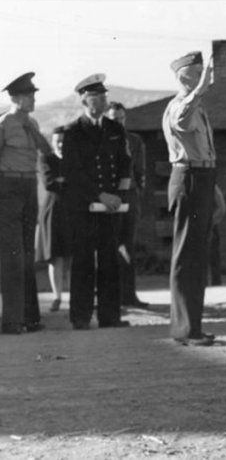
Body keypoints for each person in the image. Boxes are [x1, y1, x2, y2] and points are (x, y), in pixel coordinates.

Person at [62, 74, 132, 330]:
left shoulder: (115, 129)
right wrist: (100, 195)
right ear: (84, 100)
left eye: (104, 96)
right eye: (96, 97)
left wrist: (120, 196)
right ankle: (80, 317)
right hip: (84, 206)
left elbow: (124, 164)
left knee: (109, 259)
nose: (102, 100)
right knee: (83, 260)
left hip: (111, 206)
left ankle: (109, 316)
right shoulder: (73, 131)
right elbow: (73, 172)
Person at [163, 52, 218, 346]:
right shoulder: (180, 106)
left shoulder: (196, 105)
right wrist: (198, 91)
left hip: (202, 177)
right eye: (198, 73)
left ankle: (191, 326)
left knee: (197, 256)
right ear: (184, 76)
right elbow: (183, 120)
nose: (204, 78)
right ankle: (185, 330)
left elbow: (203, 151)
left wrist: (214, 188)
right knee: (187, 256)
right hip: (189, 178)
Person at [0, 72, 52, 333]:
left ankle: (30, 318)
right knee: (12, 255)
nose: (33, 99)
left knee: (27, 254)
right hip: (8, 187)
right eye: (28, 95)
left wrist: (32, 129)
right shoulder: (4, 124)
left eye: (33, 95)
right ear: (15, 98)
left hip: (30, 186)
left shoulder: (32, 123)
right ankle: (11, 321)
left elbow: (47, 150)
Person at [106, 101, 149, 309]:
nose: (118, 122)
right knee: (109, 246)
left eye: (121, 119)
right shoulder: (102, 139)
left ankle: (129, 296)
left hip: (130, 196)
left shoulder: (134, 140)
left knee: (128, 246)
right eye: (114, 119)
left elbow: (140, 171)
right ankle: (109, 297)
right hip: (109, 198)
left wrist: (136, 195)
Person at [36, 127, 70, 312]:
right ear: (52, 141)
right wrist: (65, 181)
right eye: (58, 141)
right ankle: (57, 297)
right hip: (53, 212)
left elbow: (80, 182)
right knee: (55, 256)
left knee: (73, 255)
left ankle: (75, 296)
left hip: (73, 211)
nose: (61, 144)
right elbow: (49, 183)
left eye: (64, 141)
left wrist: (63, 180)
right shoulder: (46, 159)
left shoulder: (75, 159)